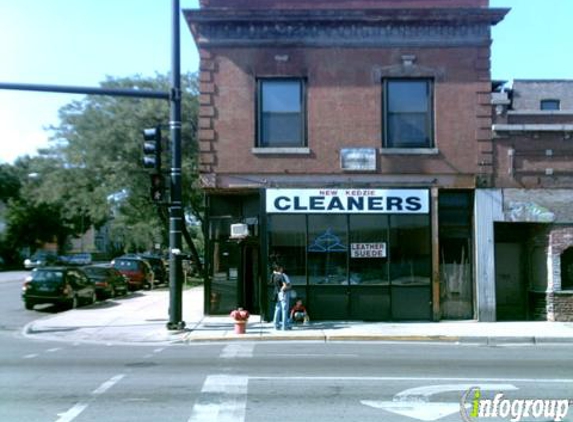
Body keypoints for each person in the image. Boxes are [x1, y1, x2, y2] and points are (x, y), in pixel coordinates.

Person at [272, 264, 291, 330]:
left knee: (277, 309)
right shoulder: (282, 276)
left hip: (277, 293)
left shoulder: (274, 276)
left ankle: (276, 325)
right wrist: (283, 290)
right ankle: (284, 326)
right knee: (284, 310)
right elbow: (285, 285)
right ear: (280, 269)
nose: (282, 268)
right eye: (281, 268)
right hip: (283, 293)